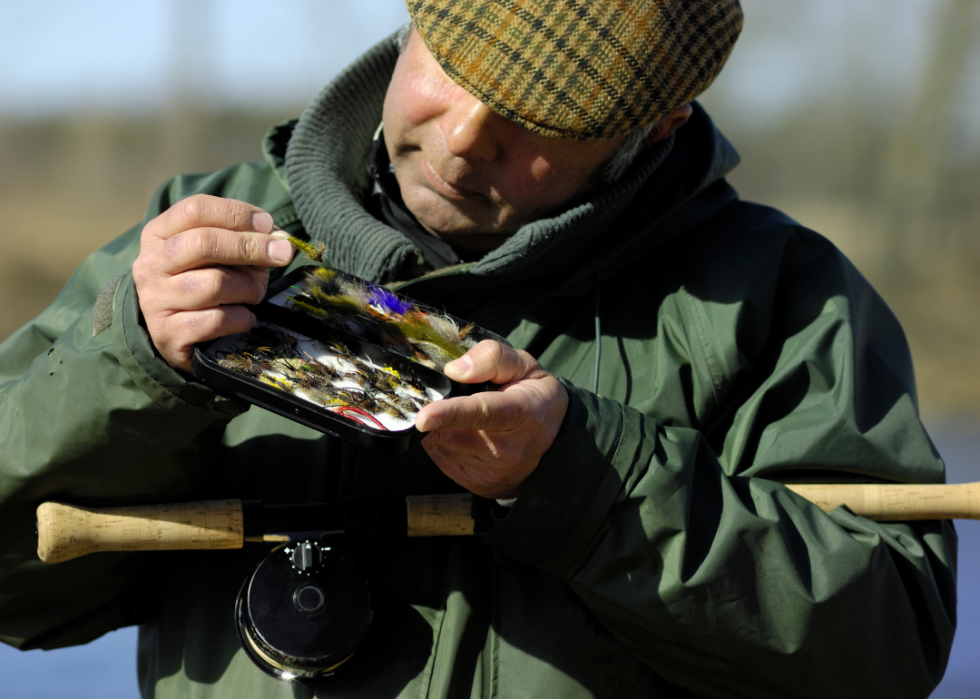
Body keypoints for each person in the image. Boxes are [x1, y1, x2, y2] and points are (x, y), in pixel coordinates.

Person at [0, 1, 957, 697]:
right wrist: (133, 365)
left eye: (542, 120)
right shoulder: (186, 247)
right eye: (454, 67)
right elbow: (21, 589)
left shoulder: (781, 299)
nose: (462, 140)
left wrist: (583, 476)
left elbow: (886, 651)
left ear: (656, 127)